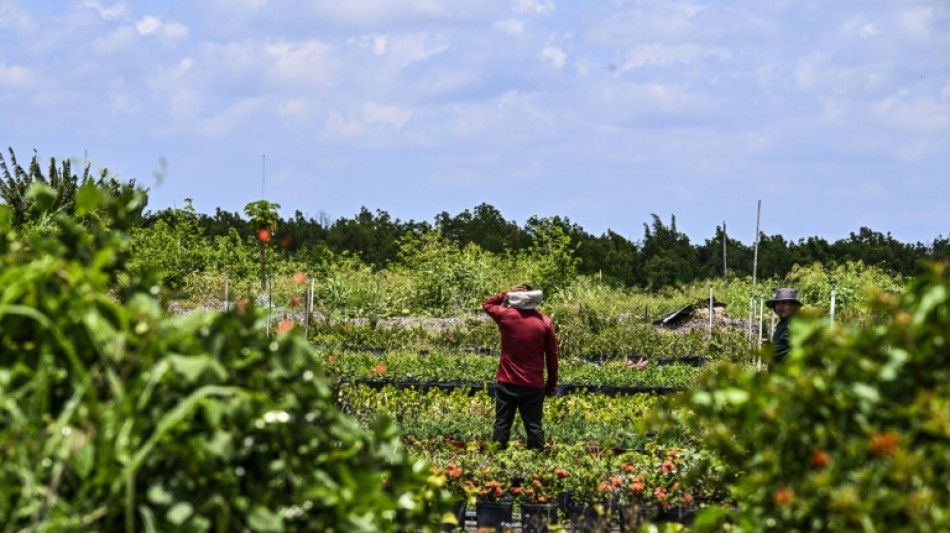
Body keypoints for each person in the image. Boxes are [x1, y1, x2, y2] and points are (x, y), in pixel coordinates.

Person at [482, 283, 558, 450]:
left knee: (502, 424)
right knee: (533, 427)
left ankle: (496, 463)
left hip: (507, 382)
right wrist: (552, 384)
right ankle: (537, 463)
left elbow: (487, 304)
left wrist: (506, 293)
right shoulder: (545, 321)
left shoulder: (506, 316)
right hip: (533, 385)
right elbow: (552, 356)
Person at [765, 287, 803, 366]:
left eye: (784, 303)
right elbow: (783, 348)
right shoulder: (782, 323)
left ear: (793, 306)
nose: (780, 307)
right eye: (777, 304)